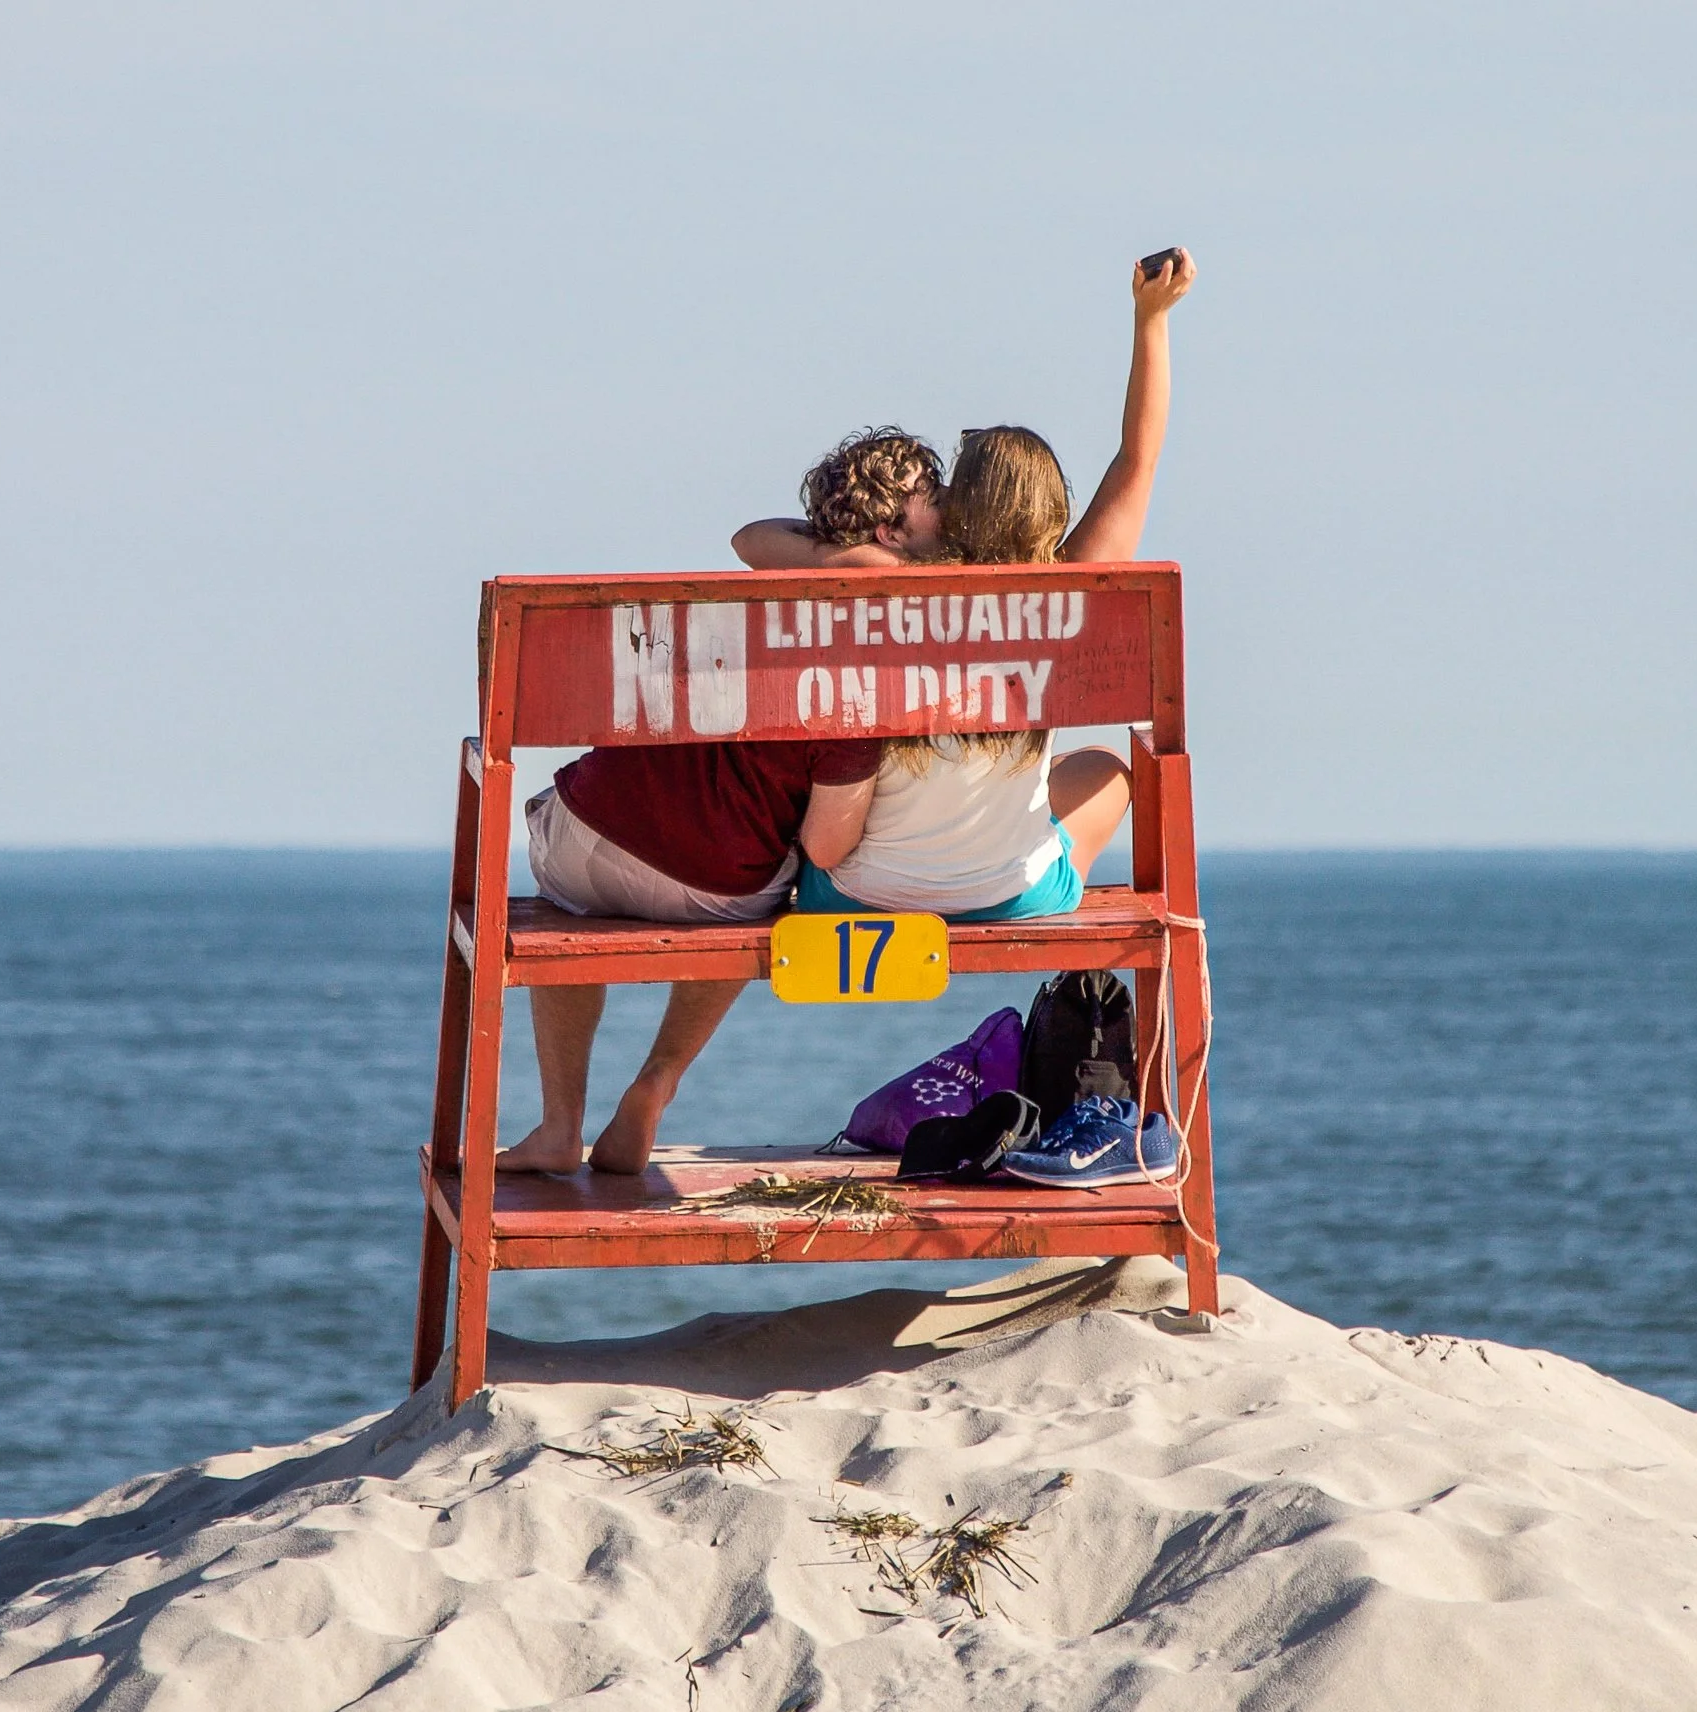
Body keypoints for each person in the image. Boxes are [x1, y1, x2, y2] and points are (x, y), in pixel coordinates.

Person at [498, 429, 943, 1177]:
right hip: (717, 889)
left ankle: (557, 1123)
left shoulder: (762, 575)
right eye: (937, 505)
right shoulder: (870, 661)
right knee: (776, 888)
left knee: (565, 892)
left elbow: (749, 534)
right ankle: (658, 1078)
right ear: (891, 529)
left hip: (587, 847)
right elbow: (829, 848)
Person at [733, 248, 1197, 922]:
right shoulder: (1064, 595)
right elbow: (1138, 458)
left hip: (864, 891)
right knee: (1107, 768)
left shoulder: (894, 593)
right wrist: (1150, 320)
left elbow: (751, 540)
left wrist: (879, 564)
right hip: (1014, 895)